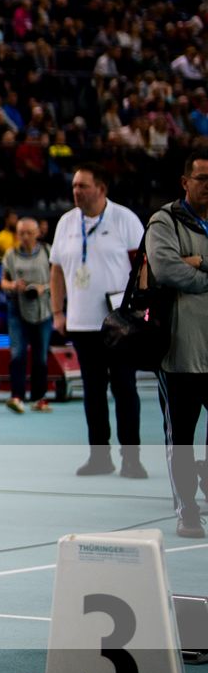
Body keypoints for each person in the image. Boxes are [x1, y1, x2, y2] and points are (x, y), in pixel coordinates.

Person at [51, 165, 145, 477]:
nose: (76, 191)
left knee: (125, 390)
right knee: (92, 393)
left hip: (119, 323)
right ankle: (99, 456)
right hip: (81, 324)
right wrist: (57, 312)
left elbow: (142, 264)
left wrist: (142, 307)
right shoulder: (66, 222)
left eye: (83, 186)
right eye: (74, 185)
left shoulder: (124, 219)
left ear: (101, 188)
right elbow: (56, 271)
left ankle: (131, 458)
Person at [145, 152, 208, 538]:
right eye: (202, 177)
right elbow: (165, 269)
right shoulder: (164, 221)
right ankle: (188, 510)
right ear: (185, 181)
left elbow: (184, 270)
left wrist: (198, 262)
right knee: (181, 441)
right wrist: (200, 272)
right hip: (181, 353)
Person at [1, 218, 54, 414]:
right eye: (21, 233)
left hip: (43, 311)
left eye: (28, 233)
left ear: (37, 233)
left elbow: (56, 279)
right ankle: (17, 397)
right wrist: (14, 285)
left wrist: (43, 288)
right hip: (17, 310)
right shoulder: (11, 255)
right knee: (17, 354)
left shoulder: (48, 251)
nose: (24, 236)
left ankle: (40, 398)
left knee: (41, 356)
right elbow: (2, 282)